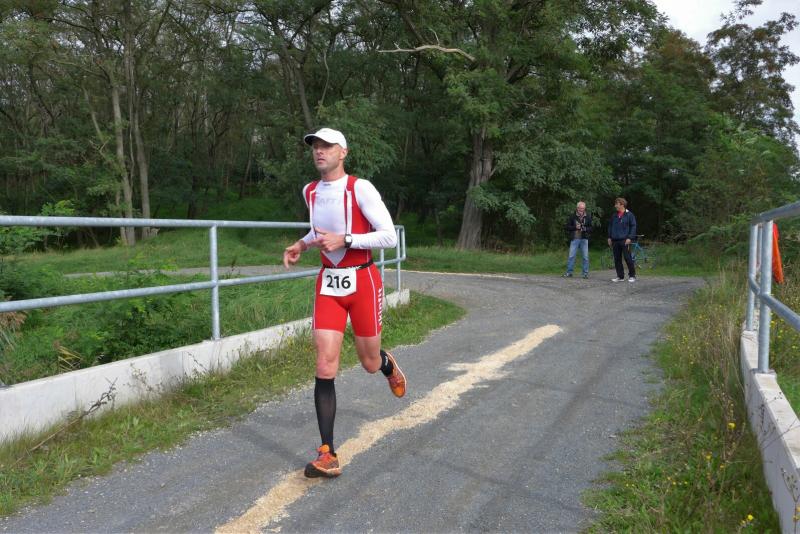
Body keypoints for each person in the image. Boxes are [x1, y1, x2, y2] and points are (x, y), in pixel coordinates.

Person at [283, 127, 406, 479]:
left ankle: (386, 365)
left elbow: (388, 236)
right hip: (329, 283)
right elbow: (320, 231)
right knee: (325, 363)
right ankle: (328, 453)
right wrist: (302, 244)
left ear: (343, 152)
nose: (319, 151)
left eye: (327, 146)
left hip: (363, 280)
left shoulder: (360, 188)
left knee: (368, 362)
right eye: (315, 146)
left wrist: (347, 239)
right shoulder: (310, 191)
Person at [607, 197, 637, 282]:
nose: (615, 206)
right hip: (615, 240)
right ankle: (620, 276)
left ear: (622, 205)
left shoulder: (629, 215)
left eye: (617, 204)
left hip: (625, 240)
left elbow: (633, 226)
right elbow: (610, 226)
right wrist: (609, 237)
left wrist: (630, 237)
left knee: (628, 258)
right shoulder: (614, 215)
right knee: (617, 259)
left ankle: (632, 276)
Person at [563, 201, 592, 279]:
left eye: (583, 208)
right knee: (571, 256)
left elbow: (591, 228)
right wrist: (575, 227)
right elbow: (567, 227)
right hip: (575, 238)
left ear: (584, 208)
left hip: (584, 239)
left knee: (585, 257)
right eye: (580, 208)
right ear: (577, 208)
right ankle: (569, 273)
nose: (581, 210)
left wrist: (585, 229)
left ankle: (585, 273)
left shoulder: (588, 216)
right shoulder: (572, 216)